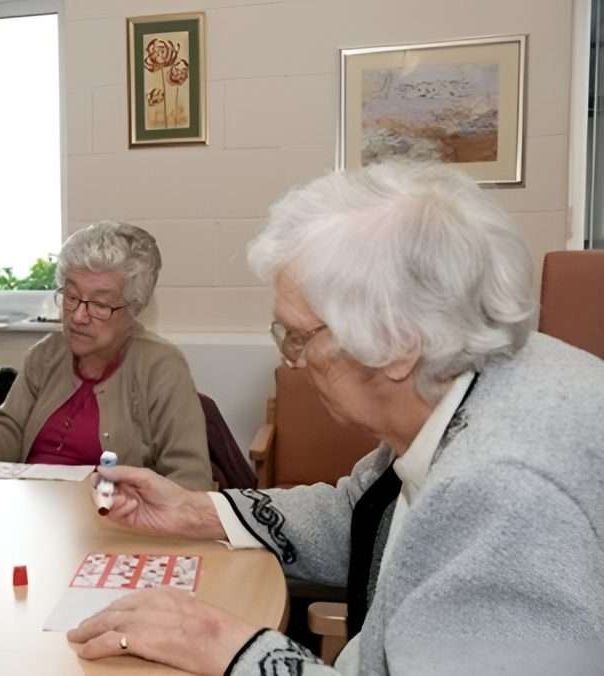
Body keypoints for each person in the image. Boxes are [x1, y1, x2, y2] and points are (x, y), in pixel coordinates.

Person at [67, 163, 604, 675]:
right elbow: (361, 516)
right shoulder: (470, 378)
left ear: (396, 344)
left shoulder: (505, 492)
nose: (290, 361)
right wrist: (196, 510)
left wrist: (230, 649)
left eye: (298, 337)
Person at [0, 221, 213, 490]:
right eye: (71, 296)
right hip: (33, 517)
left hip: (111, 530)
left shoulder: (161, 367)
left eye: (100, 305)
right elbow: (7, 433)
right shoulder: (46, 354)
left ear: (134, 308)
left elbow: (190, 480)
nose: (77, 316)